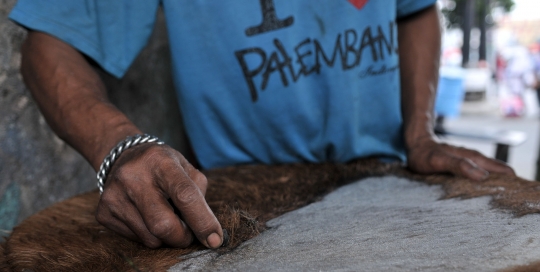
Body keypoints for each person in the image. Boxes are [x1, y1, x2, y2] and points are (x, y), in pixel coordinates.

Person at [9, 1, 514, 250]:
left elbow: (414, 10)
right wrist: (118, 144)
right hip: (245, 203)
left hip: (387, 176)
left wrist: (419, 133)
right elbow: (51, 43)